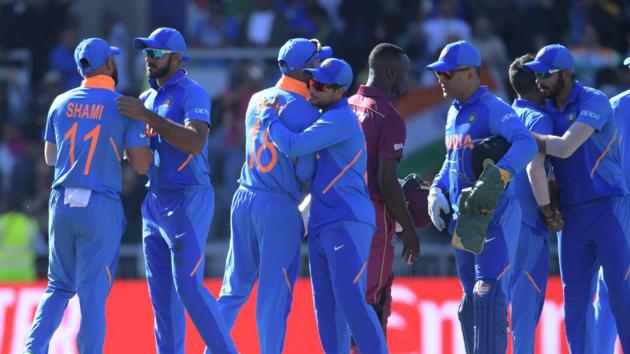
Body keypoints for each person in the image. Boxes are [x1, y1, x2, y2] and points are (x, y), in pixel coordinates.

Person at [24, 37, 152, 354]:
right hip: (99, 203)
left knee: (58, 286)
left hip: (62, 201)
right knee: (92, 293)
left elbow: (51, 158)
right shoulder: (123, 106)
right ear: (108, 64)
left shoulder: (61, 102)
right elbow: (141, 164)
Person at [116, 27, 237, 354]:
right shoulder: (147, 97)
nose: (149, 59)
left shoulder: (192, 92)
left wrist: (145, 116)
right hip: (154, 201)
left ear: (177, 57)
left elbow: (195, 142)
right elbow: (139, 154)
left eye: (156, 53)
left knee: (189, 289)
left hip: (188, 199)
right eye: (146, 53)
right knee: (162, 304)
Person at [258, 58, 388, 353]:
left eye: (321, 86)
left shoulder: (340, 118)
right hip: (322, 222)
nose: (312, 90)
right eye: (311, 83)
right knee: (327, 310)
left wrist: (268, 116)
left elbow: (292, 145)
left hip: (346, 220)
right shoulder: (325, 116)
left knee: (351, 301)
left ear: (340, 91)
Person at [217, 37, 331, 354]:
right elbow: (306, 172)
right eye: (317, 64)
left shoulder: (257, 98)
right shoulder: (305, 111)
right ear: (305, 69)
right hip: (277, 204)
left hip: (244, 196)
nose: (322, 69)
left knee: (233, 288)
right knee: (273, 295)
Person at [426, 40, 537, 354]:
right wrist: (437, 188)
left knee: (487, 294)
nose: (441, 80)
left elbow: (525, 143)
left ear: (472, 74)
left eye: (448, 74)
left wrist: (497, 176)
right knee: (471, 303)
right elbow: (452, 159)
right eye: (439, 74)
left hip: (495, 215)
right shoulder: (453, 112)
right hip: (466, 219)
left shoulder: (493, 108)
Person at [525, 43, 630, 353]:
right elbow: (542, 164)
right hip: (573, 217)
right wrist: (549, 206)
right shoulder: (547, 111)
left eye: (546, 74)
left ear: (567, 74)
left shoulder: (595, 101)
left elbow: (565, 147)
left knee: (622, 296)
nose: (539, 81)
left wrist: (519, 136)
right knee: (576, 304)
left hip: (608, 208)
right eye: (536, 75)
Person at [347, 43, 419, 343]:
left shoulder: (347, 104)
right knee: (372, 302)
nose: (407, 82)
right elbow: (386, 181)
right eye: (404, 74)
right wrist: (410, 229)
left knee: (345, 302)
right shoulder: (389, 116)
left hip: (341, 212)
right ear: (390, 72)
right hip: (374, 220)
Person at [507, 53, 563, 354]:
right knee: (525, 314)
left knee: (502, 308)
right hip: (529, 225)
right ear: (537, 83)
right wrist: (547, 211)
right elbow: (534, 167)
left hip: (503, 224)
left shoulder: (505, 115)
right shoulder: (539, 118)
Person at [586, 54, 630, 354]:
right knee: (608, 289)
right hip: (618, 208)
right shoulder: (614, 108)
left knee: (609, 289)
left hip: (617, 209)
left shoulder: (615, 107)